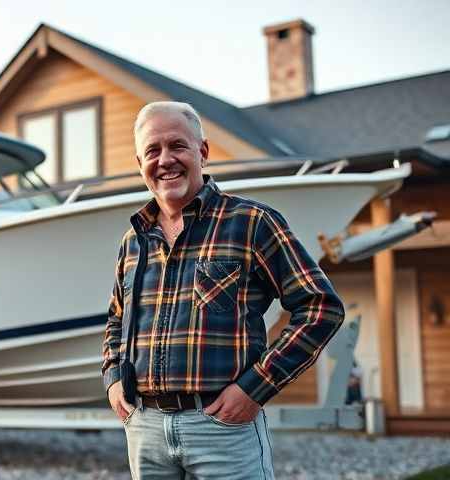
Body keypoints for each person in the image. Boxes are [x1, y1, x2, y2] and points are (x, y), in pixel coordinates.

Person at [102, 101, 345, 479]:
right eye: (152, 150)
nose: (165, 159)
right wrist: (113, 378)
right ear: (140, 164)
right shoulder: (133, 240)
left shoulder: (252, 223)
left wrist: (255, 388)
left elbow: (320, 307)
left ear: (203, 152)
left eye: (177, 146)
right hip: (145, 428)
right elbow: (117, 318)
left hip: (222, 426)